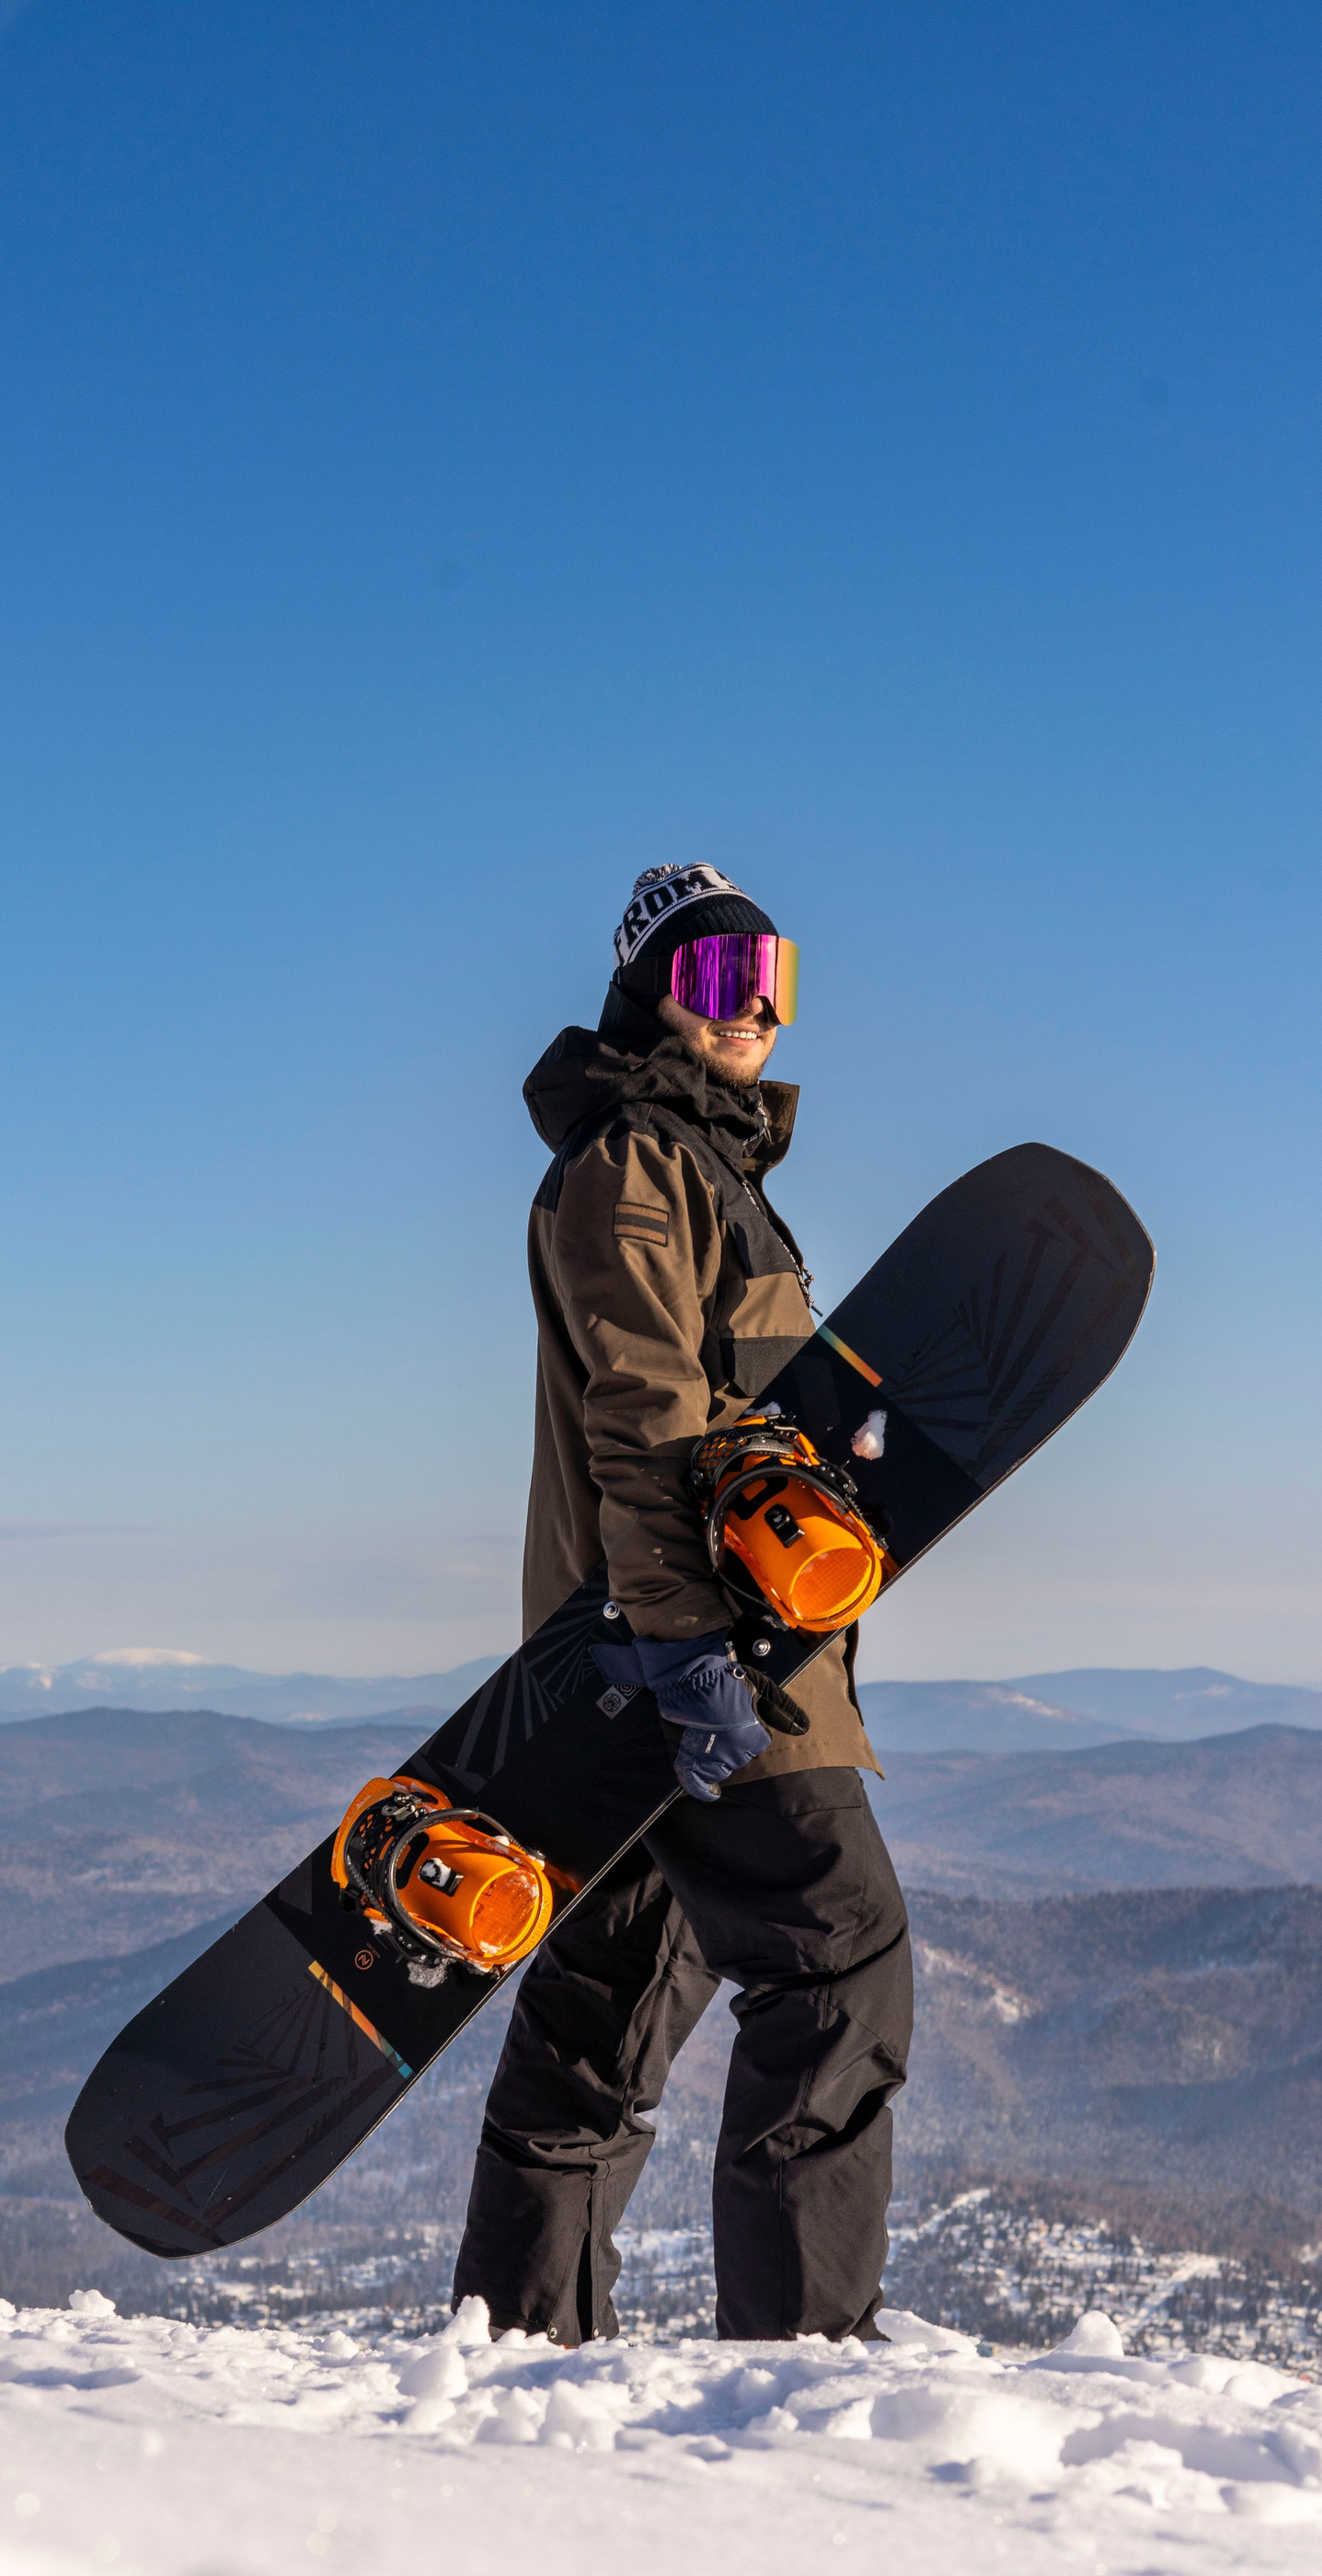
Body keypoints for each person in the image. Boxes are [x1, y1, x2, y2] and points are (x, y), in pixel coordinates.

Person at [452, 862, 914, 2344]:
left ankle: (513, 2350)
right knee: (837, 1957)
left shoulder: (704, 1168)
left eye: (775, 979)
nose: (755, 1010)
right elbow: (647, 1417)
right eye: (720, 979)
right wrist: (689, 1645)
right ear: (651, 992)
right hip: (701, 1653)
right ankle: (802, 2362)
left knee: (607, 2003)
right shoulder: (637, 1162)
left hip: (655, 1649)